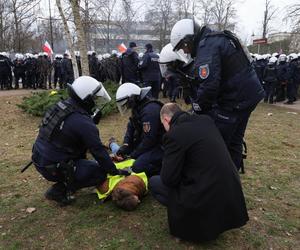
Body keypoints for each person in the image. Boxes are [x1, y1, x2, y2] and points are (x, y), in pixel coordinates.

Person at [170, 17, 265, 171]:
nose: (185, 51)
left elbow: (209, 86)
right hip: (249, 95)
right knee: (235, 140)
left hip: (236, 99)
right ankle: (232, 176)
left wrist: (198, 107)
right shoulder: (216, 38)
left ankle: (218, 179)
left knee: (218, 142)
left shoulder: (207, 47)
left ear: (190, 39)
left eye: (184, 46)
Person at [149, 103, 249, 242]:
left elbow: (169, 179)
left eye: (163, 124)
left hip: (203, 198)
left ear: (166, 119)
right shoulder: (205, 120)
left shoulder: (174, 135)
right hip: (230, 194)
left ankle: (189, 221)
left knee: (154, 182)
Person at [31, 76, 130, 206]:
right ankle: (59, 190)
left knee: (86, 161)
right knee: (100, 172)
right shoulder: (82, 122)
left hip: (39, 157)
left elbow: (67, 132)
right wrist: (114, 171)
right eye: (94, 99)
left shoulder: (63, 106)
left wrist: (90, 121)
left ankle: (71, 176)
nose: (95, 102)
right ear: (86, 99)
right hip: (53, 166)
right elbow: (97, 150)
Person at [114, 83, 164, 176]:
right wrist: (125, 146)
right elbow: (131, 127)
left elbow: (149, 140)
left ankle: (160, 170)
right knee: (128, 156)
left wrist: (133, 155)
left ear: (133, 98)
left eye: (127, 103)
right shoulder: (138, 107)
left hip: (161, 147)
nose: (127, 106)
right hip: (150, 144)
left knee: (137, 166)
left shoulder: (150, 110)